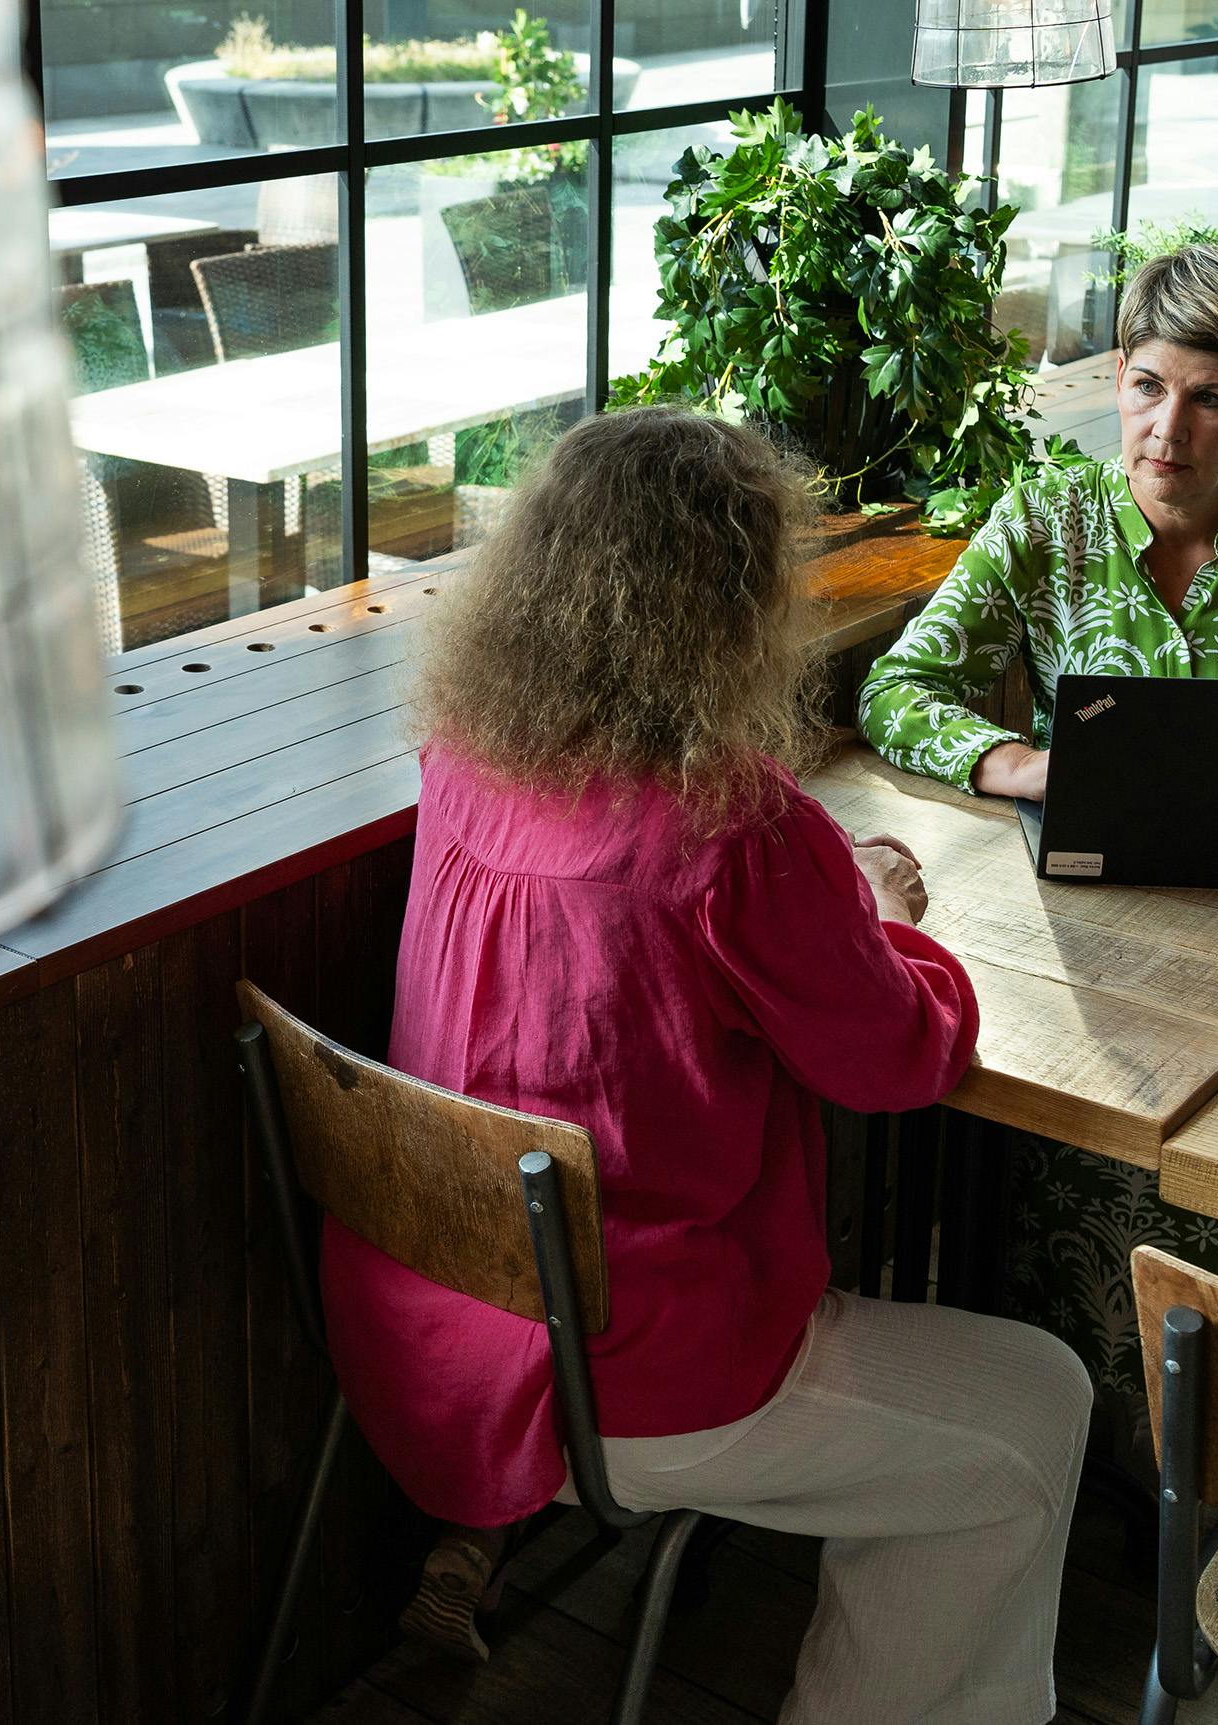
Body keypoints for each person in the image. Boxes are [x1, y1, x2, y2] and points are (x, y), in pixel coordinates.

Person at [326, 404, 1093, 1724]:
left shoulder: (461, 755)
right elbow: (902, 1058)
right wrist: (887, 920)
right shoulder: (730, 829)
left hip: (424, 1339)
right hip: (620, 1371)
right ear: (736, 601)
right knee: (1031, 1416)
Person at [856, 242, 1218, 1470]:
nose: (1172, 429)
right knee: (1067, 1189)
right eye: (1151, 387)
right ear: (1117, 377)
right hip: (1088, 954)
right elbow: (902, 686)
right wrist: (1023, 766)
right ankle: (1093, 1461)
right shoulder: (1048, 516)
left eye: (1212, 398)